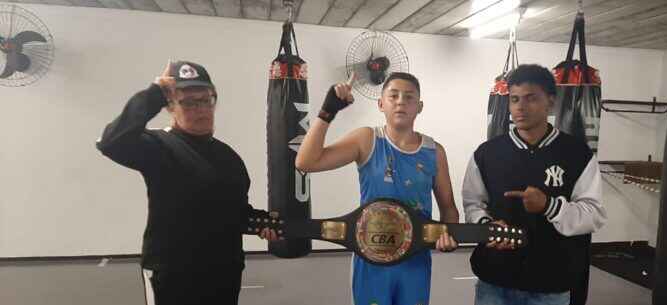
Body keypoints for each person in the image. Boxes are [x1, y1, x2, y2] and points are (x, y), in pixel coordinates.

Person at [96, 60, 277, 305]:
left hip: (224, 272)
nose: (201, 109)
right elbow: (111, 143)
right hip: (173, 276)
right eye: (189, 102)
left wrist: (261, 223)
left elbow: (233, 213)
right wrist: (154, 94)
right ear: (170, 106)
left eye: (206, 100)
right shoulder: (158, 145)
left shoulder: (230, 158)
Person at [295, 72, 459, 305]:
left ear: (419, 106)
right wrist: (327, 111)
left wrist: (450, 235)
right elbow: (305, 162)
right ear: (381, 104)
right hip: (371, 258)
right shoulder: (367, 139)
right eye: (394, 95)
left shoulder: (434, 151)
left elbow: (448, 208)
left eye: (409, 97)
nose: (401, 101)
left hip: (415, 260)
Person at [462, 64, 606, 305]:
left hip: (550, 283)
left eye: (531, 99)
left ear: (550, 102)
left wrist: (550, 206)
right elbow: (473, 203)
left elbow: (595, 214)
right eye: (515, 99)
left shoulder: (577, 154)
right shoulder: (487, 153)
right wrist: (486, 226)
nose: (520, 107)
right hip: (494, 279)